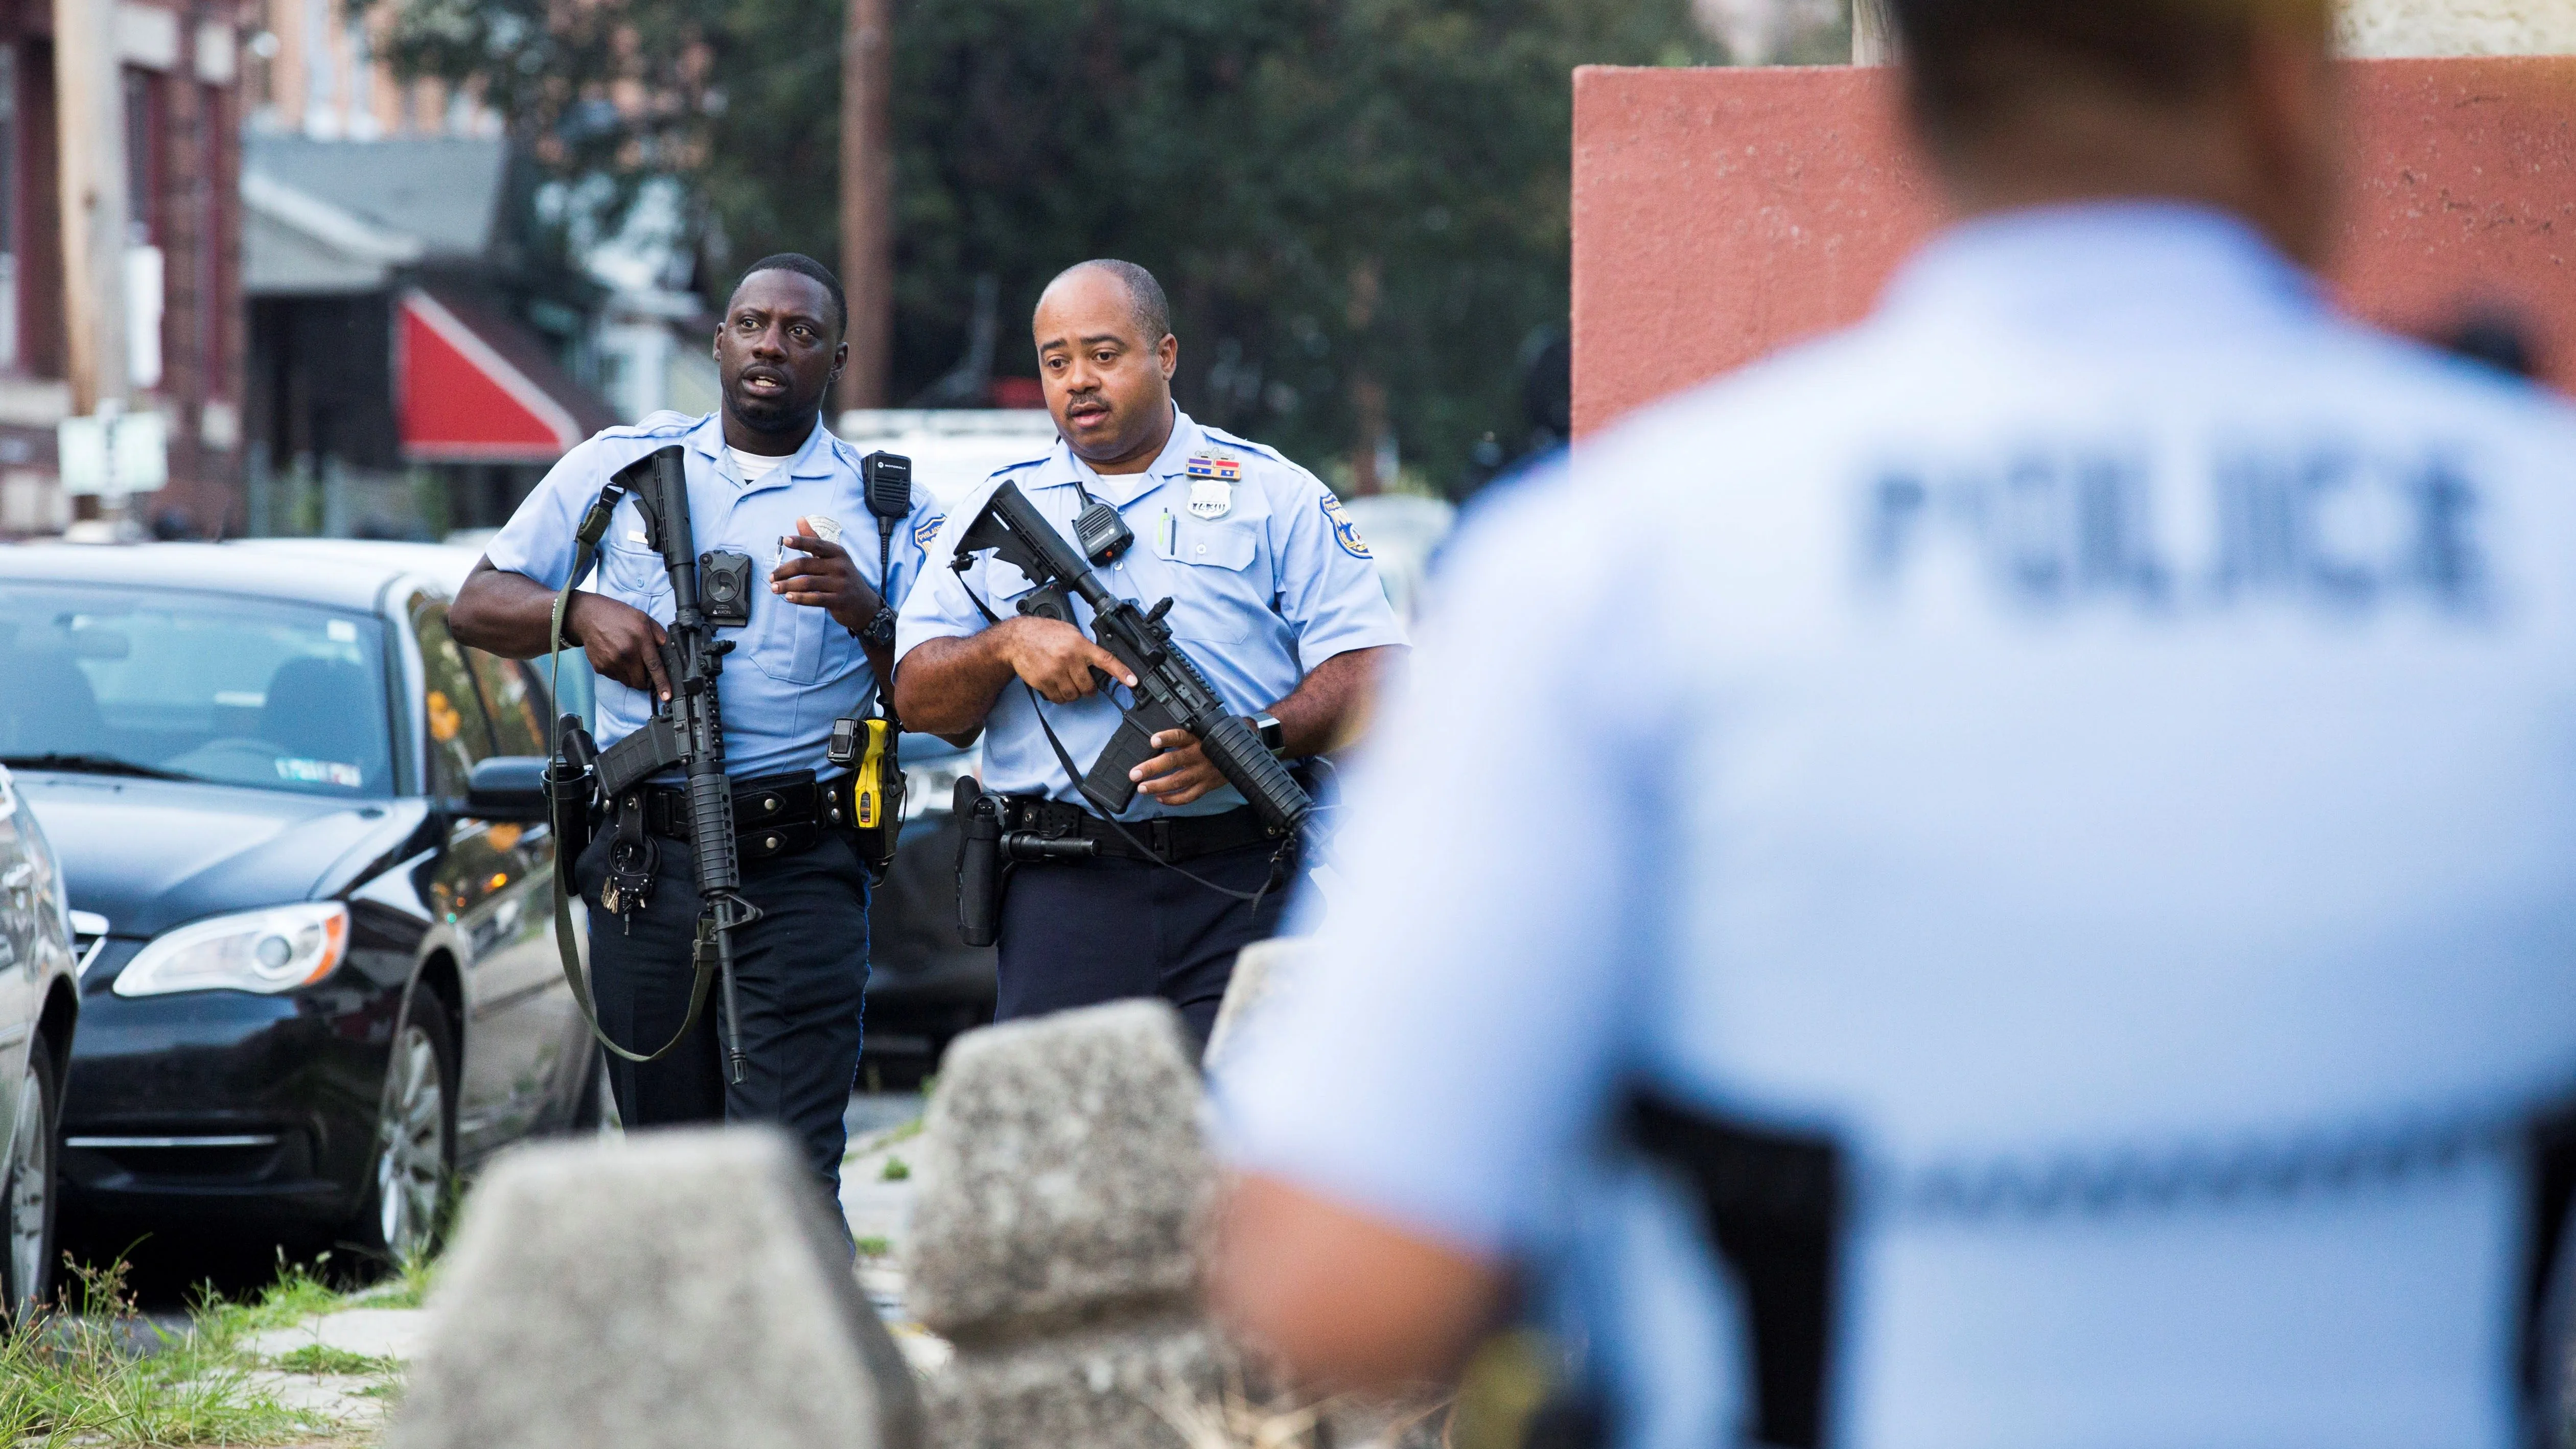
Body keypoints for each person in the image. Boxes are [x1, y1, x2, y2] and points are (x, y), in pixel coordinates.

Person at [1211, 3, 2576, 1446]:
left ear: (1909, 97)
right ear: (2287, 85)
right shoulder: (2542, 529)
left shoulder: (1611, 570)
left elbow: (1334, 1282)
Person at [450, 254, 935, 1203]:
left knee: (789, 1176)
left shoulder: (889, 509)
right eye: (753, 324)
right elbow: (475, 605)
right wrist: (581, 616)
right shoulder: (621, 468)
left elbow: (933, 698)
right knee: (667, 1175)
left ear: (837, 356)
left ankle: (802, 1354)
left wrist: (865, 610)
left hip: (801, 873)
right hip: (645, 868)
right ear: (718, 341)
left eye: (802, 332)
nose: (772, 346)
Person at [894, 260, 1407, 1048]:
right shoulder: (992, 509)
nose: (1078, 382)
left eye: (1104, 355)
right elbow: (919, 700)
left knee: (1249, 1148)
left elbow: (1375, 671)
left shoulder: (1273, 492)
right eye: (1056, 361)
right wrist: (1007, 646)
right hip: (1062, 889)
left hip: (1242, 883)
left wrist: (1251, 741)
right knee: (1064, 1144)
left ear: (1165, 355)